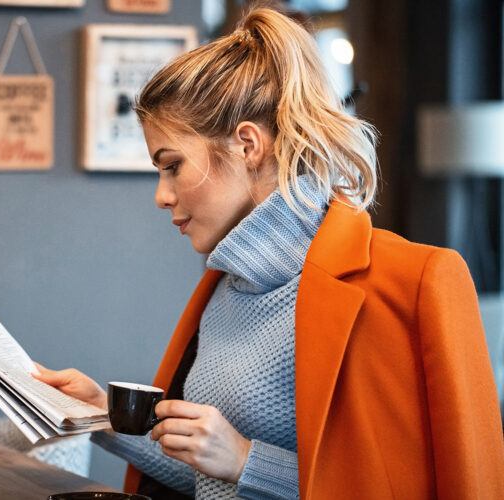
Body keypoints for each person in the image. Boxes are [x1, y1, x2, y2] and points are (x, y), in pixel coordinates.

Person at [34, 6, 504, 499]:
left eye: (172, 165)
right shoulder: (222, 291)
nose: (161, 195)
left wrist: (245, 461)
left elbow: (430, 488)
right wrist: (100, 419)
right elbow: (208, 474)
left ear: (248, 146)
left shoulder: (417, 283)